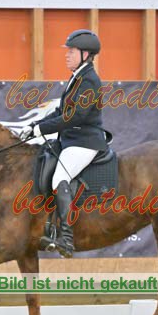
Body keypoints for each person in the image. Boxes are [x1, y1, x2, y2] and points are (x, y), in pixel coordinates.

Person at [19, 29, 108, 258]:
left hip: (85, 142)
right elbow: (61, 111)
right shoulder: (77, 77)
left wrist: (41, 129)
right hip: (71, 140)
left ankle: (66, 238)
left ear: (85, 54)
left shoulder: (89, 80)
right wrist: (35, 125)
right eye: (67, 51)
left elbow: (74, 117)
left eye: (72, 51)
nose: (67, 55)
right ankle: (49, 226)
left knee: (60, 178)